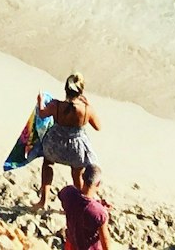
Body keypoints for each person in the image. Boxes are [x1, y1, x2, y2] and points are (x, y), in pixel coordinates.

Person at [37, 75, 102, 209]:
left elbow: (42, 114)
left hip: (55, 145)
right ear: (81, 91)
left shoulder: (56, 105)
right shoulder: (85, 109)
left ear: (65, 89)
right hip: (76, 149)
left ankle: (43, 201)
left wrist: (40, 101)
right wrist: (89, 105)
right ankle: (79, 204)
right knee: (77, 174)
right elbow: (98, 127)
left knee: (48, 164)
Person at [58, 162, 110, 250]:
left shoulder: (68, 192)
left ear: (82, 176)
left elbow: (66, 200)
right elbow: (105, 241)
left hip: (72, 243)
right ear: (98, 184)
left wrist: (97, 203)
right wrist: (104, 212)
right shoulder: (99, 213)